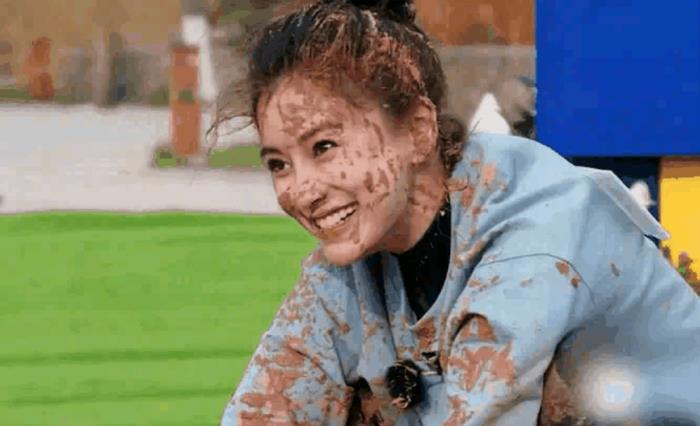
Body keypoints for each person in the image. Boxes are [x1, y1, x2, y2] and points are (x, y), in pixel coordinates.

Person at [219, 1, 700, 424]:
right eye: (278, 164)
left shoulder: (533, 245)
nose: (302, 191)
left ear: (418, 130)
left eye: (324, 147)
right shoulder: (347, 270)